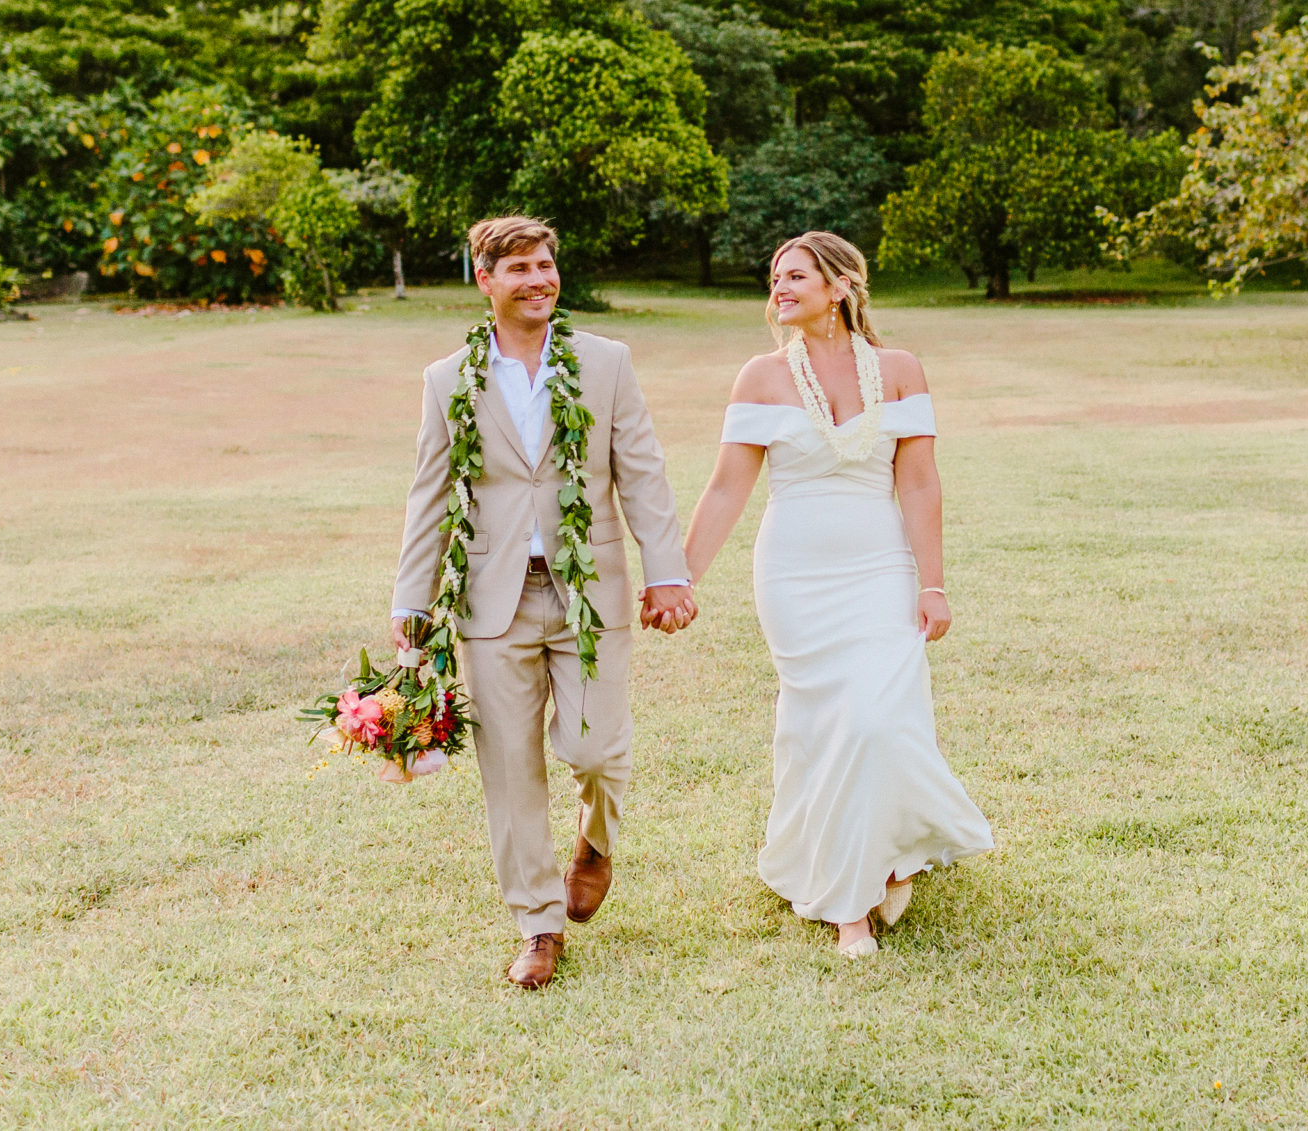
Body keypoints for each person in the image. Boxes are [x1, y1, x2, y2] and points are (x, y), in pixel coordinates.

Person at [389, 216, 698, 990]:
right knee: (511, 767)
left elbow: (644, 472)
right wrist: (412, 600)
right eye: (520, 267)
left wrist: (668, 571)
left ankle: (595, 842)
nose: (539, 279)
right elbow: (430, 495)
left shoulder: (606, 362)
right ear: (483, 278)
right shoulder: (447, 378)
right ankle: (538, 924)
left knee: (596, 746)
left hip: (589, 590)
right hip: (491, 601)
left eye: (547, 264)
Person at [679, 231, 993, 958]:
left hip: (880, 568)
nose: (779, 288)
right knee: (825, 724)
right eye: (775, 278)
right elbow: (728, 487)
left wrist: (933, 581)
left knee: (879, 718)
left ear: (841, 284)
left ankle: (878, 850)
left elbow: (919, 482)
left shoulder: (902, 369)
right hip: (793, 575)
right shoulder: (760, 375)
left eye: (795, 276)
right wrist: (679, 577)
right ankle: (849, 902)